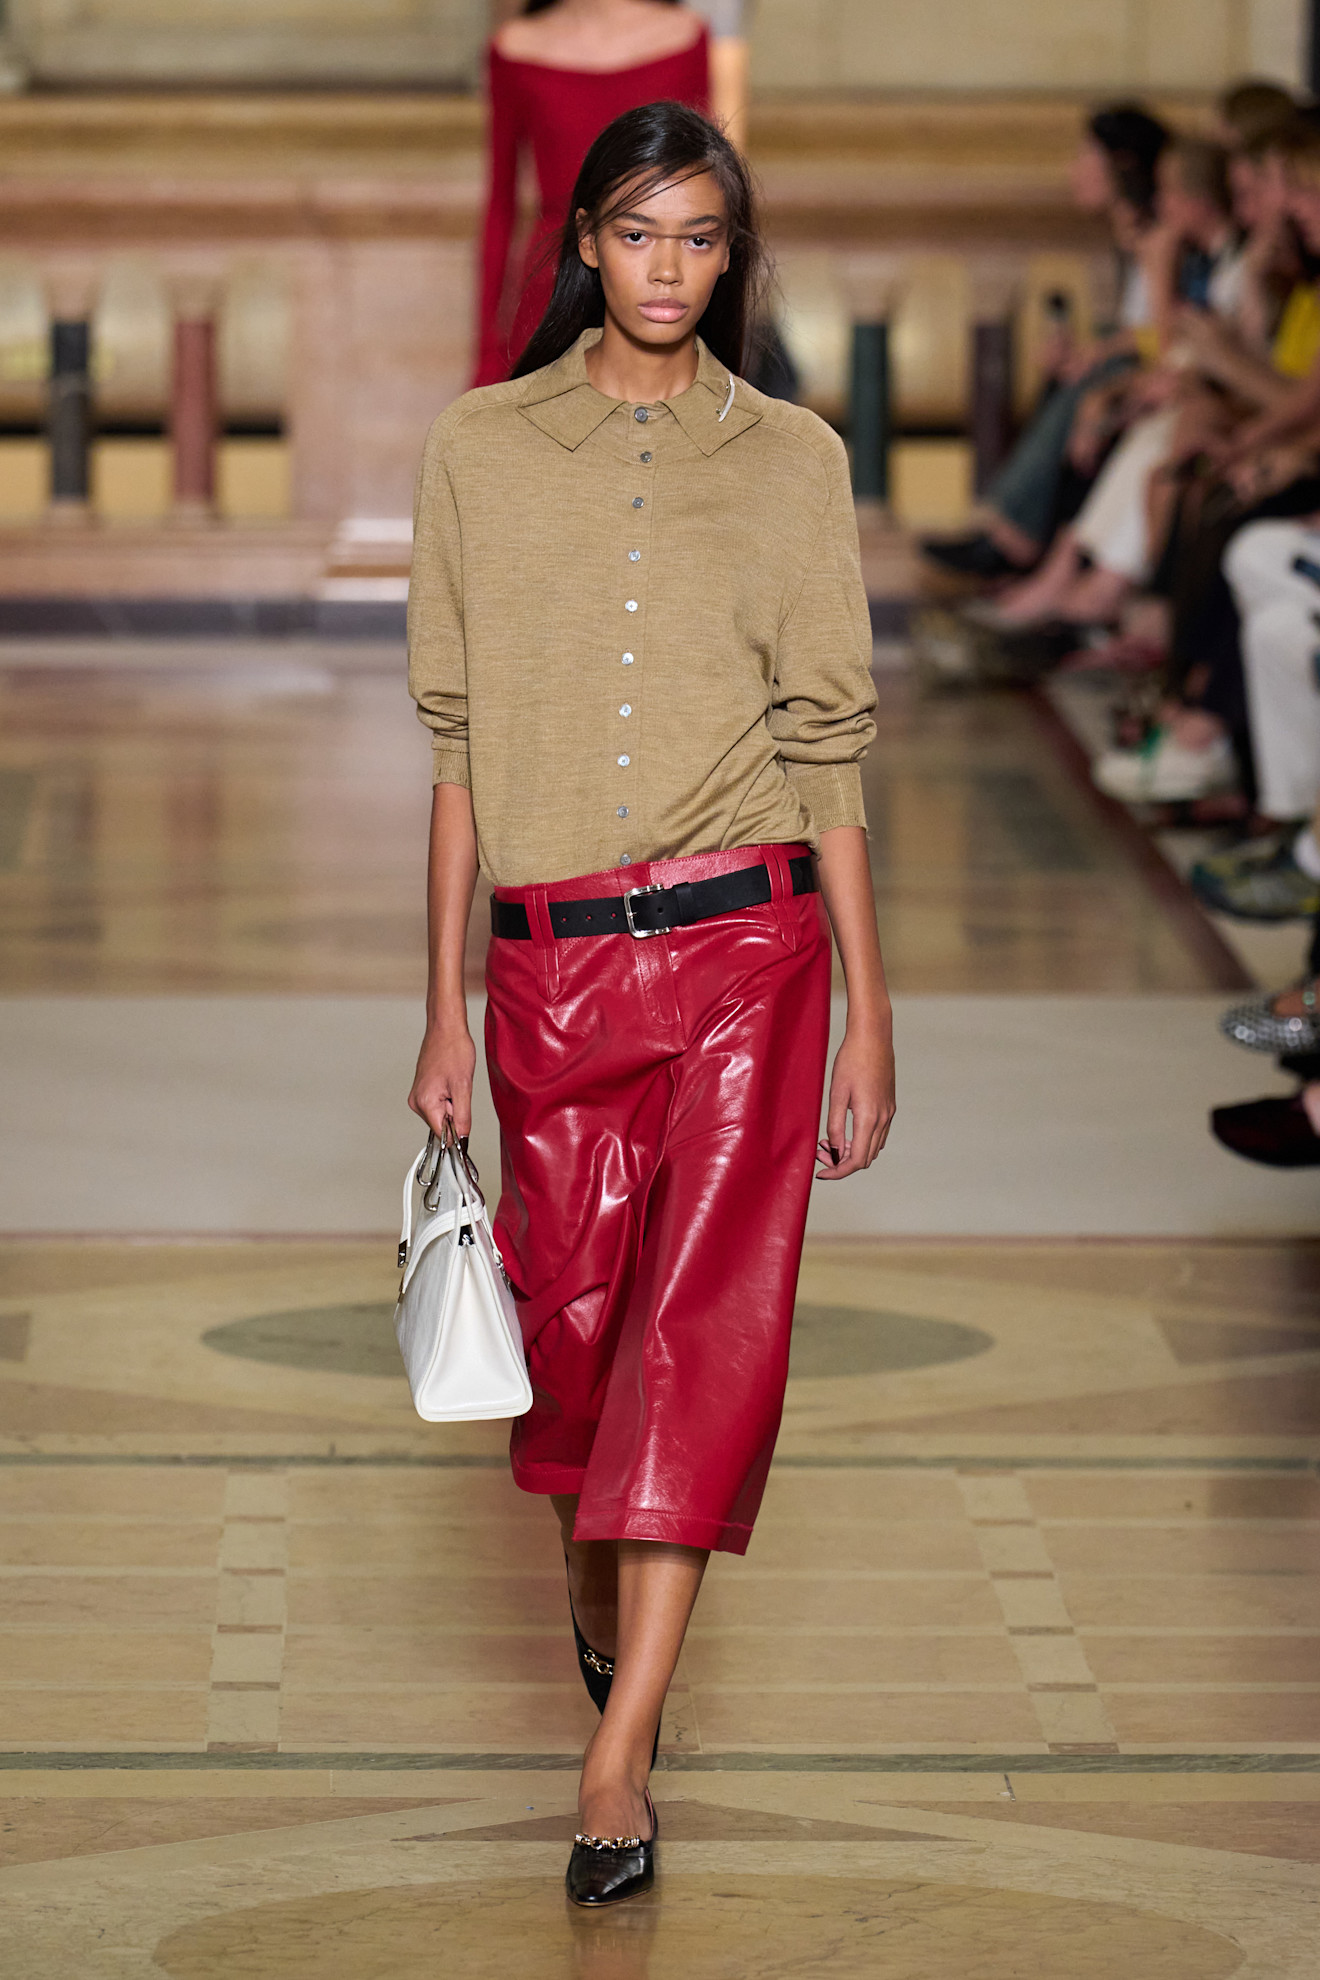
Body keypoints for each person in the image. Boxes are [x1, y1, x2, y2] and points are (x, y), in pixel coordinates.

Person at [407, 101, 893, 1906]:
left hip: (749, 955)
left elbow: (829, 745)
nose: (670, 268)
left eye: (702, 236)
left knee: (704, 1342)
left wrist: (871, 1004)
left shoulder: (793, 461)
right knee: (573, 1356)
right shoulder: (479, 448)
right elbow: (455, 747)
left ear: (731, 253)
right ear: (588, 246)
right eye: (640, 233)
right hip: (543, 970)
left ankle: (619, 1759)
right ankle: (599, 1599)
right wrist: (445, 1009)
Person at [923, 102, 1169, 579]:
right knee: (1067, 371)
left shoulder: (1158, 238)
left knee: (1091, 381)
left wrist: (1101, 353)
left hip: (1159, 376)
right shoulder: (1127, 236)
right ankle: (1011, 530)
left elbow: (1164, 335)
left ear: (1121, 165)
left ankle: (1016, 540)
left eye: (1085, 158)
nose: (1072, 170)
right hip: (1141, 364)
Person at [474, 0, 710, 387]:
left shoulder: (685, 37)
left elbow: (707, 192)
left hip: (660, 278)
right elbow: (500, 209)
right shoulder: (514, 47)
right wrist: (486, 358)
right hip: (551, 290)